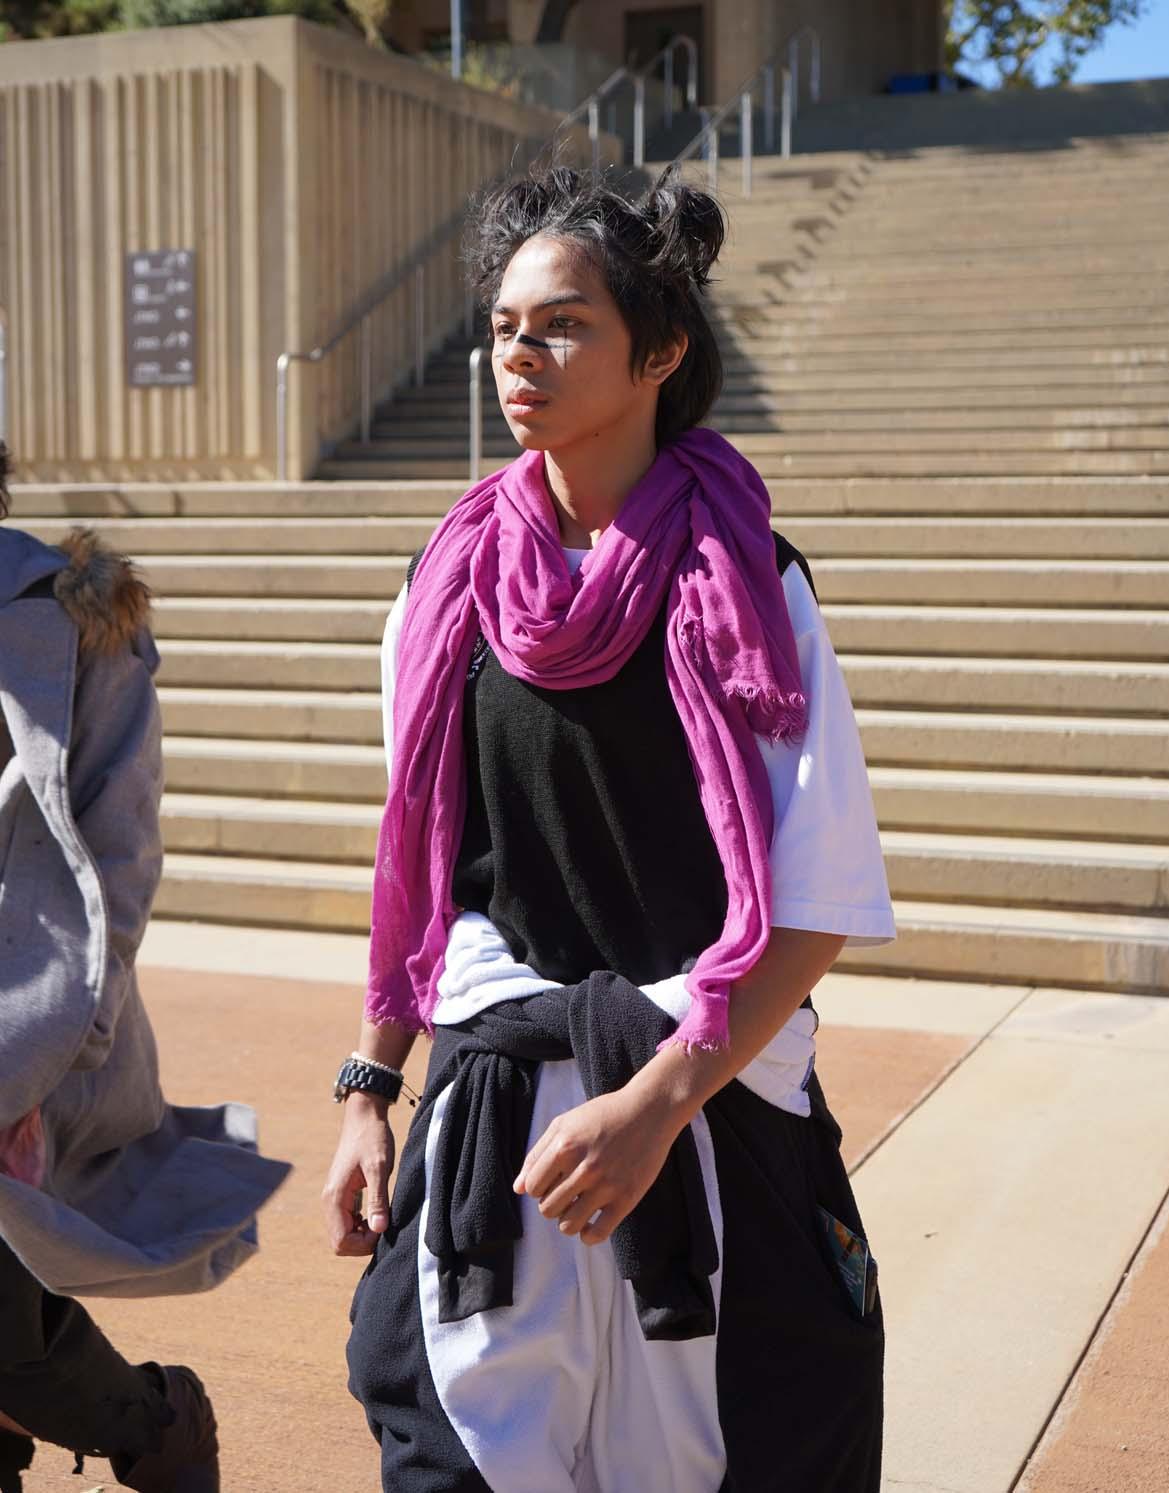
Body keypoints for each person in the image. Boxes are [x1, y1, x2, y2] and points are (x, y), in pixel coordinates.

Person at [322, 168, 895, 1492]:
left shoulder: (753, 583)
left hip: (709, 1118)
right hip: (491, 1127)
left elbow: (814, 905)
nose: (520, 351)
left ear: (664, 349)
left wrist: (655, 1104)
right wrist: (368, 1085)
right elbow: (419, 860)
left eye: (565, 322)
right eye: (507, 322)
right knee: (450, 1453)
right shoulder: (445, 578)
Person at [0, 443, 291, 1493]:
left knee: (9, 1328)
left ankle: (154, 1423)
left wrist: (39, 1055)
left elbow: (115, 861)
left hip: (34, 1023)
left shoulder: (72, 616)